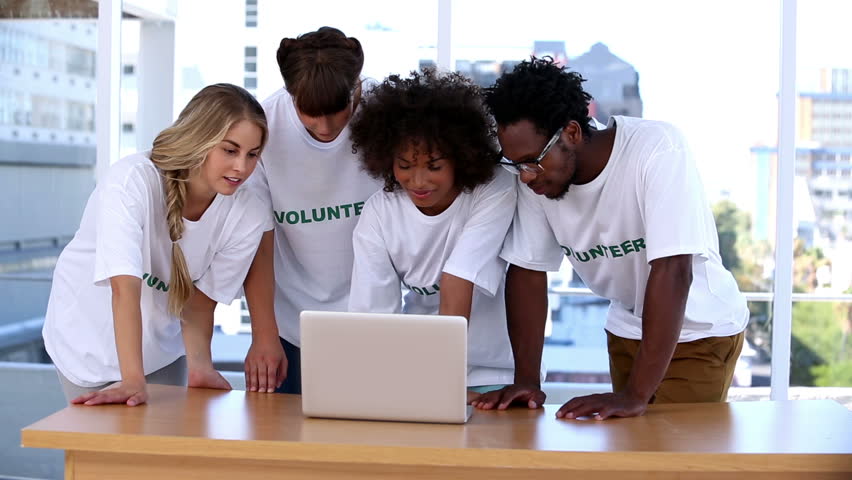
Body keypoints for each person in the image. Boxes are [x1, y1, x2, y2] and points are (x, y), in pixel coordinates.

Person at [473, 57, 749, 419]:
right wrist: (527, 380)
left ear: (571, 133)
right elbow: (527, 271)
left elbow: (673, 270)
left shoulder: (657, 148)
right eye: (516, 165)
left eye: (532, 161)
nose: (525, 176)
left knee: (672, 459)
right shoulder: (536, 179)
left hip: (698, 330)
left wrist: (635, 395)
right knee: (630, 454)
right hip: (627, 329)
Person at [42, 83, 271, 406]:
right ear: (200, 139)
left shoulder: (249, 211)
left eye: (253, 154)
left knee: (166, 450)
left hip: (160, 348)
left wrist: (201, 367)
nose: (242, 168)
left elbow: (200, 303)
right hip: (87, 340)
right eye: (230, 150)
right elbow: (124, 288)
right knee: (108, 453)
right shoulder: (130, 182)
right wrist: (132, 380)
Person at [347, 69, 538, 400]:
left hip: (497, 375)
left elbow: (458, 279)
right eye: (405, 165)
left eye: (434, 166)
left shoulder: (493, 189)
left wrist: (444, 388)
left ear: (462, 157)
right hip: (421, 376)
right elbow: (371, 315)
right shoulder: (379, 212)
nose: (418, 181)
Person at [243, 27, 382, 394]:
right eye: (310, 113)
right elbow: (258, 240)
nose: (326, 127)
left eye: (338, 111)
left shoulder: (387, 113)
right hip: (292, 326)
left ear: (357, 87)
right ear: (291, 95)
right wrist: (264, 335)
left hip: (380, 320)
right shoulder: (263, 128)